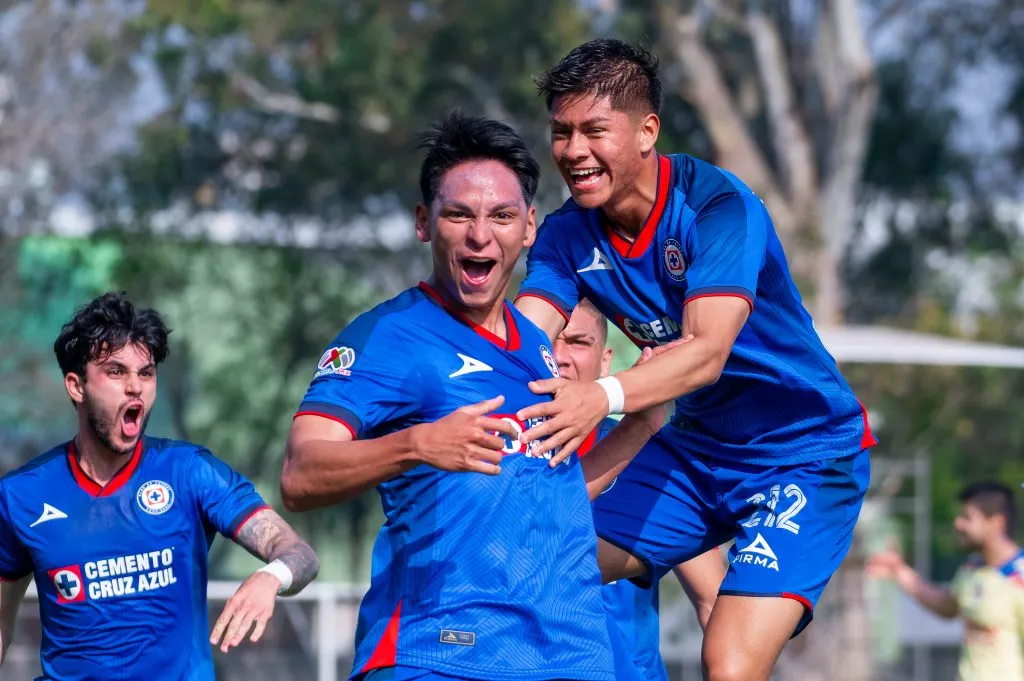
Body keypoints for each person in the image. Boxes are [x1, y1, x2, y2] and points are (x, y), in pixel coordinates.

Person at [513, 38, 876, 681]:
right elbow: (522, 337)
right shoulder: (566, 234)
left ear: (647, 131)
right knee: (534, 563)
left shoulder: (718, 207)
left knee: (728, 664)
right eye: (562, 132)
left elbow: (706, 353)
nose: (573, 150)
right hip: (699, 450)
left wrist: (601, 396)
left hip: (806, 454)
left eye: (594, 131)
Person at [280, 110, 663, 681]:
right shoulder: (389, 337)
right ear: (424, 222)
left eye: (501, 216)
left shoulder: (537, 346)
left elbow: (550, 488)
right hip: (443, 655)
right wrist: (417, 445)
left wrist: (643, 423)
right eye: (458, 214)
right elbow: (300, 475)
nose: (480, 235)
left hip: (570, 656)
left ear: (528, 228)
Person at [0, 293, 319, 680]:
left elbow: (300, 553)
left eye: (146, 373)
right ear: (76, 386)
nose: (135, 387)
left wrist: (271, 577)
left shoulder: (189, 472)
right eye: (116, 372)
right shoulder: (21, 495)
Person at [554, 298, 726, 681]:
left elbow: (711, 599)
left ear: (605, 361)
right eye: (551, 341)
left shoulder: (652, 458)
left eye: (579, 342)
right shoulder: (500, 454)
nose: (562, 358)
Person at [868, 481, 1024, 681]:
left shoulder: (1018, 578)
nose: (958, 523)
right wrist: (900, 572)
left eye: (967, 517)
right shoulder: (972, 568)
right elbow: (948, 605)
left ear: (996, 522)